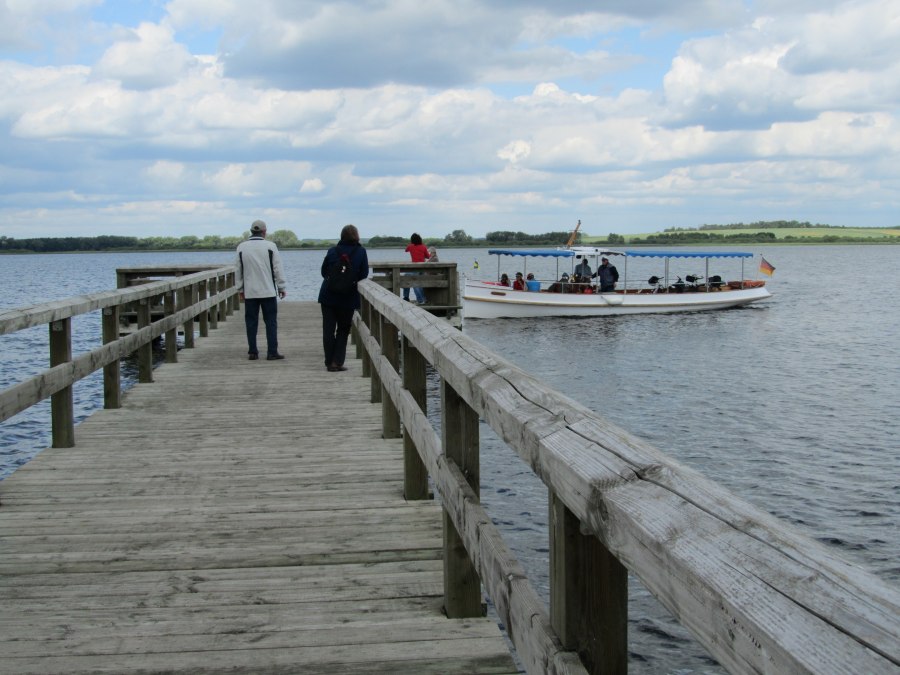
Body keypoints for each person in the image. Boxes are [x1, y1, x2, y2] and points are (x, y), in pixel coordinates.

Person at [318, 224, 369, 372]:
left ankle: (328, 361)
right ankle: (337, 362)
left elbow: (323, 272)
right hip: (348, 296)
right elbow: (363, 274)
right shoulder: (361, 251)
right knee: (343, 329)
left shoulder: (332, 251)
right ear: (356, 236)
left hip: (328, 295)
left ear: (342, 236)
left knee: (328, 329)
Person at [235, 220, 286, 361]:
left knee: (251, 322)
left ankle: (253, 351)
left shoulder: (241, 247)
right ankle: (272, 352)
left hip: (250, 292)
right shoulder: (271, 246)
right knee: (271, 322)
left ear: (251, 231)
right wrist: (281, 287)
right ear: (264, 231)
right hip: (268, 291)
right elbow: (277, 268)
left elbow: (238, 271)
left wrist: (240, 289)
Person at [404, 233, 430, 303]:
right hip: (422, 268)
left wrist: (411, 244)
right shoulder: (423, 246)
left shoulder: (410, 246)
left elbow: (406, 250)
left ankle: (407, 297)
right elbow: (428, 256)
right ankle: (422, 299)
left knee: (407, 279)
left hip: (414, 269)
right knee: (419, 283)